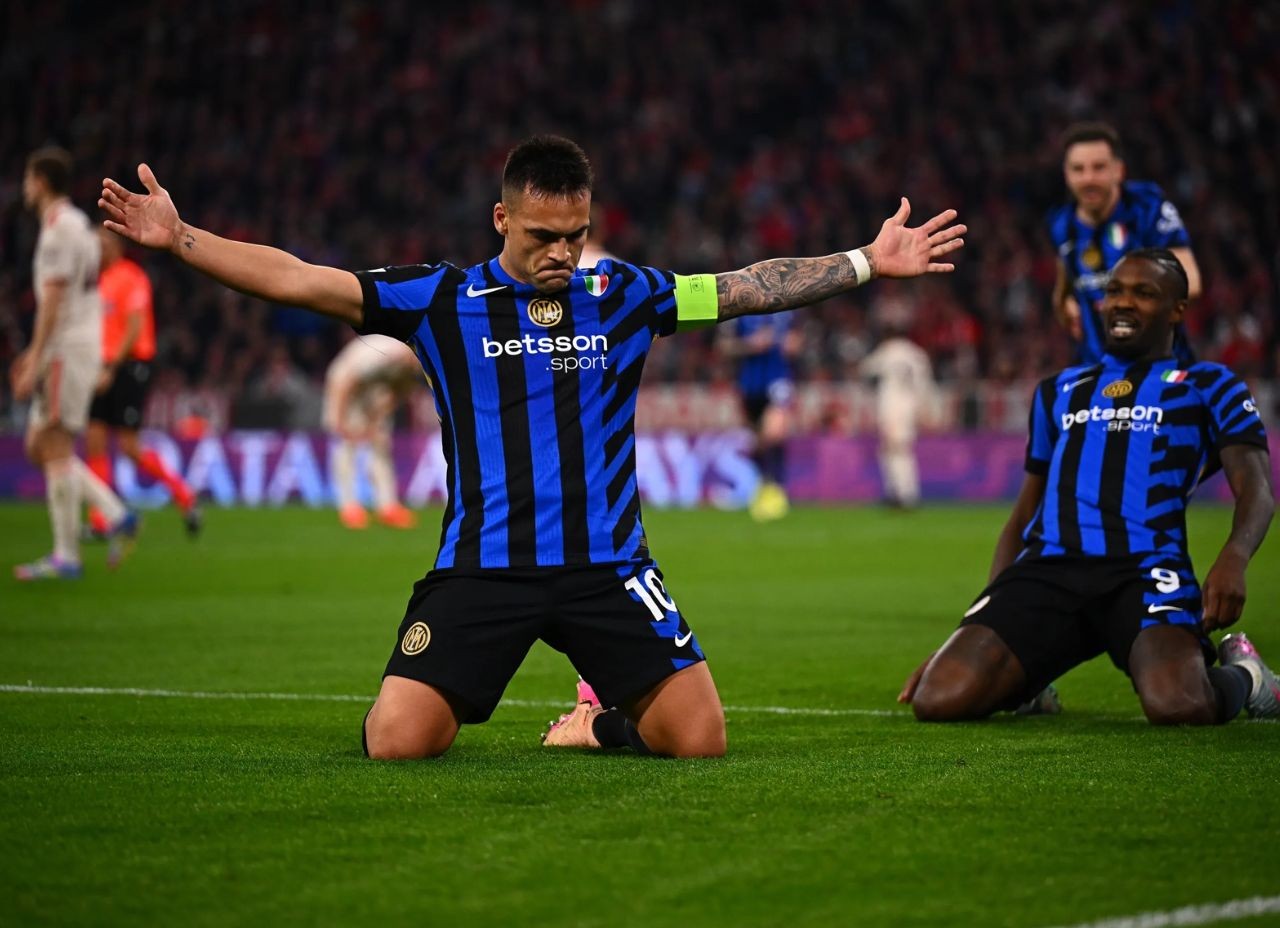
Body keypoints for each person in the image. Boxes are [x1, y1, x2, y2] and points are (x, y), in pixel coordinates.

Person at [100, 135, 965, 759]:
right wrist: (182, 239)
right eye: (542, 235)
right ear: (501, 217)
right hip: (485, 567)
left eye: (575, 234)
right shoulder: (439, 300)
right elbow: (300, 279)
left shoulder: (625, 293)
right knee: (399, 743)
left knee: (699, 739)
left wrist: (865, 260)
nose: (561, 252)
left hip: (607, 565)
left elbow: (744, 289)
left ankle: (596, 723)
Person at [899, 250, 1278, 725]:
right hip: (1051, 568)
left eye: (1144, 293)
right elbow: (1025, 514)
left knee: (1181, 706)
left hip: (1145, 570)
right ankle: (1029, 684)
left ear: (1177, 309)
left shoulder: (1210, 385)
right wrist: (982, 619)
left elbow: (1257, 488)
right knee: (939, 699)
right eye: (1115, 291)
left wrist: (1234, 557)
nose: (1123, 302)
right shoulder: (1060, 389)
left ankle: (1248, 676)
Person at [12, 147, 137, 581]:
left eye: (28, 179)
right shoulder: (78, 225)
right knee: (40, 445)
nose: (24, 187)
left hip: (66, 347)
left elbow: (54, 301)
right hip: (76, 342)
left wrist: (35, 356)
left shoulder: (59, 232)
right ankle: (115, 514)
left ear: (41, 182)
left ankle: (67, 556)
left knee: (53, 443)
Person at [1048, 122, 1202, 366]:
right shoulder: (1062, 225)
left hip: (1161, 370)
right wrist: (1066, 305)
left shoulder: (1147, 209)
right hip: (1099, 373)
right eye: (1078, 169)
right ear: (1067, 175)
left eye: (1099, 167)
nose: (1088, 178)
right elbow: (1065, 289)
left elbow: (1190, 282)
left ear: (1118, 170)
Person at [85, 227, 201, 538]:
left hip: (129, 366)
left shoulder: (132, 277)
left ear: (116, 246)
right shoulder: (96, 281)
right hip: (100, 367)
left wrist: (112, 368)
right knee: (94, 440)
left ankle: (184, 494)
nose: (98, 250)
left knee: (129, 447)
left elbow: (134, 328)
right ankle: (100, 520)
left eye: (103, 243)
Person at [323, 333, 423, 530]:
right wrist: (340, 420)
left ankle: (387, 507)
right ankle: (349, 507)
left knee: (381, 442)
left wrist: (375, 419)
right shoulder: (385, 357)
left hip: (375, 387)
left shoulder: (417, 367)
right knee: (347, 444)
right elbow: (347, 382)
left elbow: (397, 394)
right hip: (345, 378)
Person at [717, 312, 800, 521]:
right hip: (750, 384)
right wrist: (749, 345)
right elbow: (723, 346)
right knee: (758, 442)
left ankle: (777, 489)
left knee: (774, 433)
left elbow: (797, 340)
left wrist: (791, 344)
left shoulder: (787, 310)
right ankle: (764, 487)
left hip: (778, 380)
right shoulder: (740, 312)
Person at [859, 327, 935, 509]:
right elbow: (924, 385)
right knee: (896, 450)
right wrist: (925, 409)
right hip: (909, 407)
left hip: (891, 406)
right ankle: (899, 493)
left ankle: (904, 494)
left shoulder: (888, 350)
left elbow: (865, 369)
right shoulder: (917, 354)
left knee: (895, 450)